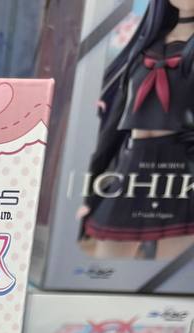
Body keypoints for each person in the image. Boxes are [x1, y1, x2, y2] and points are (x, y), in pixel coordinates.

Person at [81, 0, 194, 259]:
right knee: (107, 264)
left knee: (169, 271)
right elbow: (115, 122)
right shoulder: (146, 43)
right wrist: (92, 182)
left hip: (182, 169)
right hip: (134, 165)